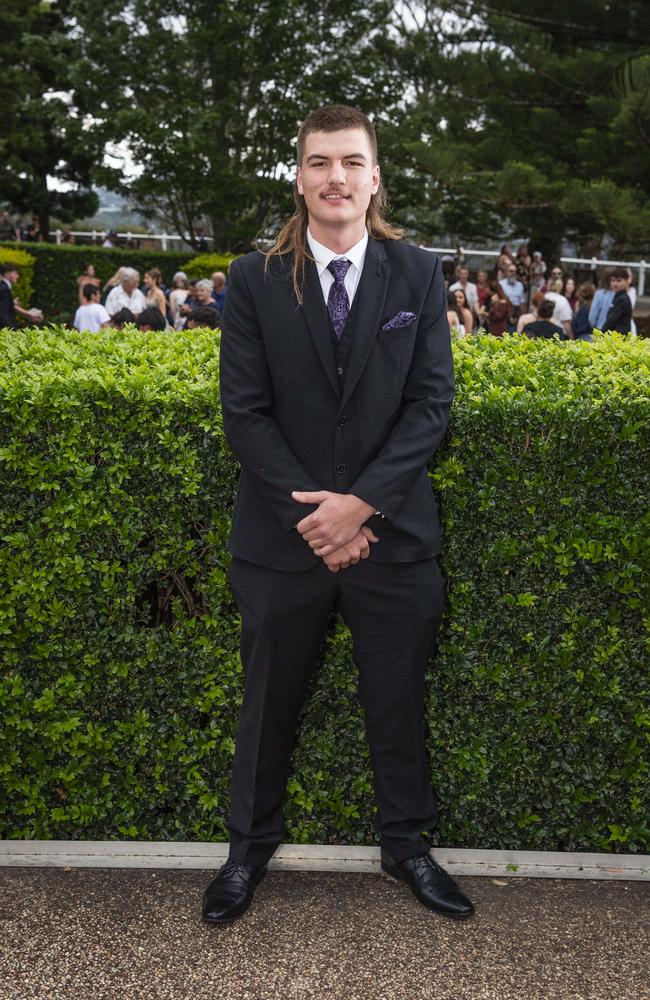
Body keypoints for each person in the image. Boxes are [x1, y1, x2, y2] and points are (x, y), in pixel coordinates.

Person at [206, 103, 473, 926]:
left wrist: (360, 508)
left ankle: (409, 848)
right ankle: (246, 853)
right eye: (320, 162)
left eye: (351, 162)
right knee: (266, 706)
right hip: (281, 542)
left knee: (397, 701)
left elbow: (432, 405)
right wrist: (318, 522)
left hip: (393, 538)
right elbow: (245, 414)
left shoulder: (418, 274)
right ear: (299, 176)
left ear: (375, 176)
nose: (336, 178)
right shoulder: (252, 281)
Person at [600, 267, 633, 335]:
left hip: (617, 339)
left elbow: (611, 321)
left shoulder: (622, 299)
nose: (615, 284)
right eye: (613, 280)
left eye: (619, 280)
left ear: (627, 282)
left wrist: (601, 334)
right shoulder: (619, 297)